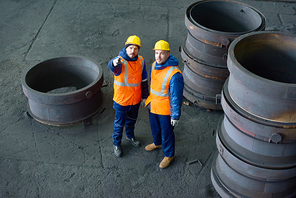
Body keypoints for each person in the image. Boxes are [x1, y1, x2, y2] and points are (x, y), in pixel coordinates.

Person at [145, 40, 184, 168]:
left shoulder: (174, 74)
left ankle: (169, 155)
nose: (158, 57)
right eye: (156, 53)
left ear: (168, 54)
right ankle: (157, 143)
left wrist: (175, 115)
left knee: (167, 133)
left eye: (162, 53)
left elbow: (176, 97)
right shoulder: (153, 65)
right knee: (155, 128)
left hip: (165, 110)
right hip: (153, 105)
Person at [108, 35, 149, 158]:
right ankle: (116, 143)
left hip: (135, 100)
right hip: (122, 100)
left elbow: (144, 80)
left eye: (135, 48)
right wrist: (114, 63)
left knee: (131, 121)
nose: (133, 51)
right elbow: (112, 66)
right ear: (126, 48)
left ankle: (130, 136)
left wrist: (144, 97)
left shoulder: (141, 60)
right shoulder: (120, 60)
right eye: (130, 48)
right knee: (119, 123)